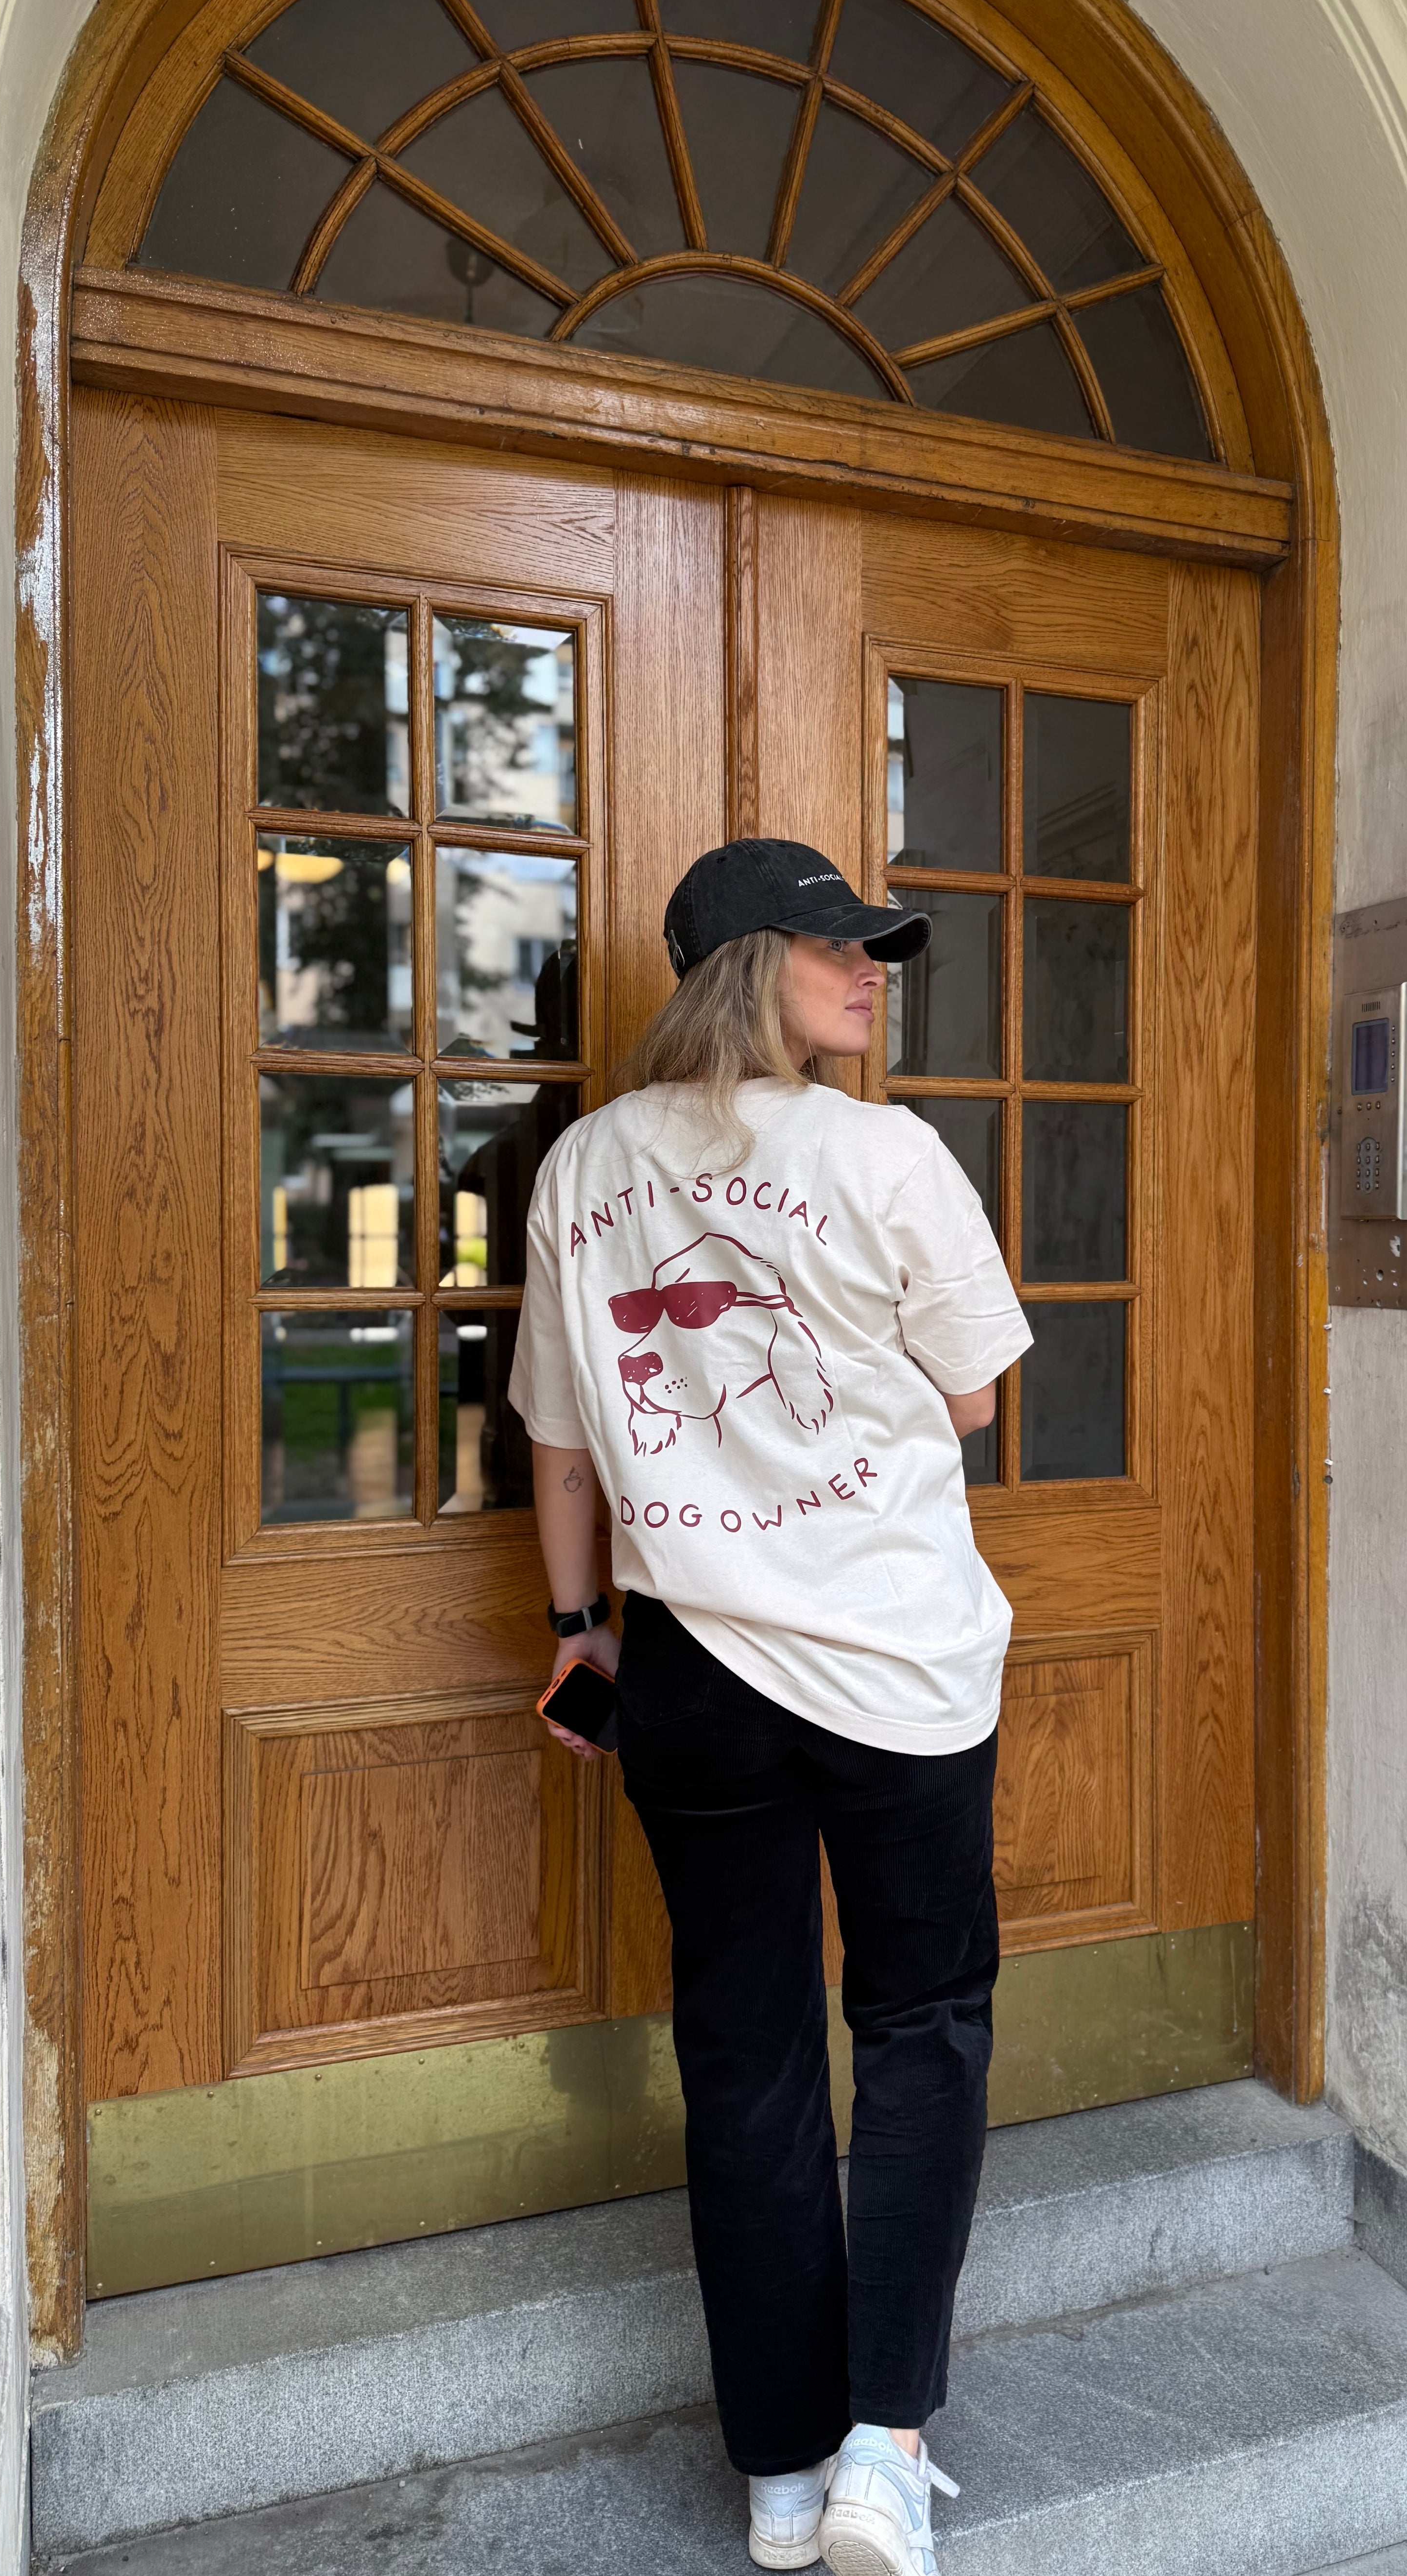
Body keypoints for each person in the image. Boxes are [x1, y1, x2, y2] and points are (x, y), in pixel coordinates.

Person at [508, 837, 1032, 2576]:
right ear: (747, 965)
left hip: (693, 1669)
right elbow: (967, 1396)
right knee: (919, 2024)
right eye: (840, 948)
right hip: (891, 1660)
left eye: (876, 949)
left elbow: (563, 1439)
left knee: (742, 2049)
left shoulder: (583, 1168)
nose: (874, 973)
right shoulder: (883, 1153)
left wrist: (582, 1626)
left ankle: (782, 2471)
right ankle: (884, 2441)